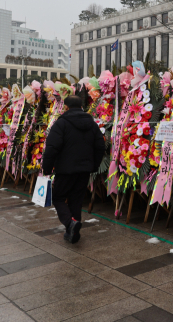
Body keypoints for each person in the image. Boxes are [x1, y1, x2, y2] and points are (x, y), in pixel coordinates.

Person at [42, 95, 105, 244]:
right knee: (76, 200)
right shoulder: (92, 124)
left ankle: (70, 224)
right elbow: (100, 146)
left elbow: (51, 148)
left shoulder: (61, 123)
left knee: (58, 197)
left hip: (65, 169)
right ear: (82, 106)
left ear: (66, 107)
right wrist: (94, 165)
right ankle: (72, 231)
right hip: (84, 170)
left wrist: (47, 168)